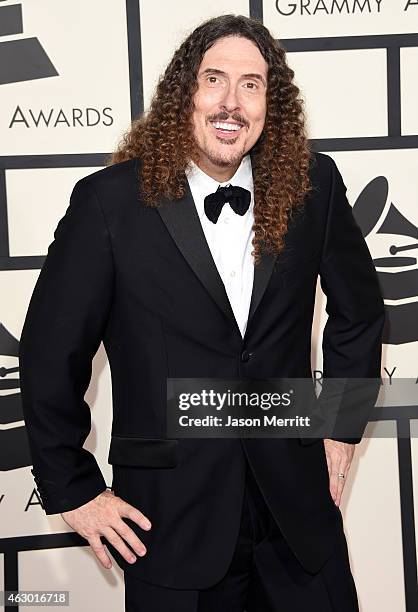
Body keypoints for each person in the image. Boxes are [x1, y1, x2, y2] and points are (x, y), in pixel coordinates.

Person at [19, 14, 385, 612]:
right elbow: (49, 354)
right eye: (213, 79)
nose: (231, 103)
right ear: (184, 92)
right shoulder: (109, 203)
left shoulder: (312, 186)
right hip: (169, 520)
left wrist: (341, 428)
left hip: (297, 516)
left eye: (251, 84)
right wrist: (72, 487)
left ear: (273, 103)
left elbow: (361, 313)